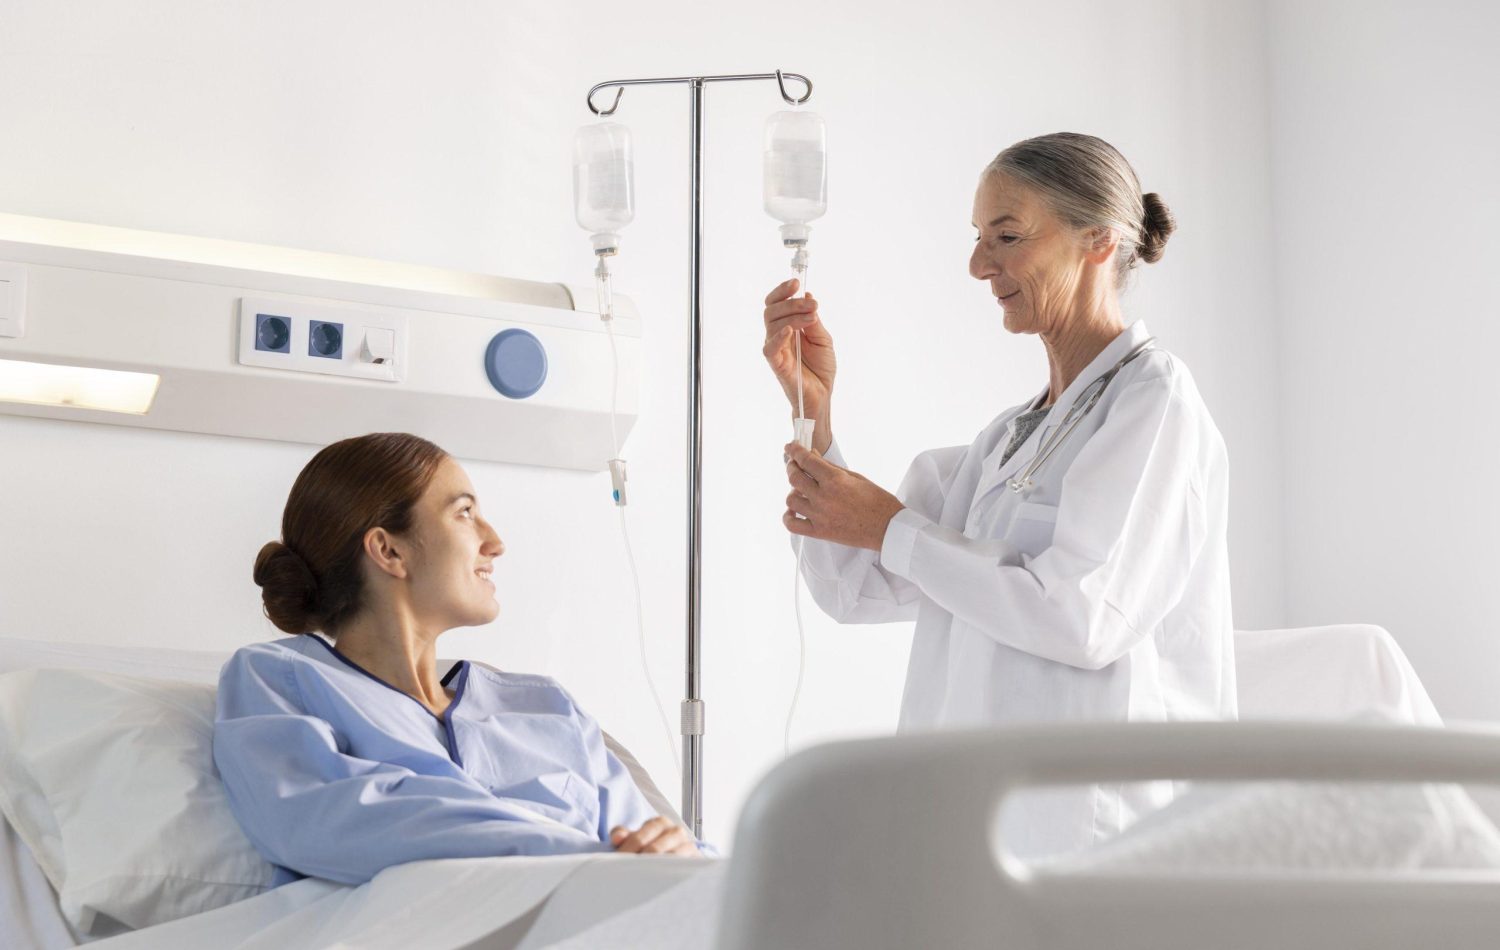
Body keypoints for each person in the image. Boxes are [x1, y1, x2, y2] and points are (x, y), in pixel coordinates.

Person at [763, 132, 1235, 859]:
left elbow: (1084, 617)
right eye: (979, 239)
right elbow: (858, 590)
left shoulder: (1154, 402)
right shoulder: (1009, 437)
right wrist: (813, 414)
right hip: (975, 821)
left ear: (1097, 241)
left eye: (1006, 236)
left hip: (1098, 830)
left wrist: (893, 529)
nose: (980, 264)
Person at [214, 432, 704, 886]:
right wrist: (586, 858)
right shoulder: (279, 681)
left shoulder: (546, 708)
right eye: (465, 512)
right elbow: (318, 821)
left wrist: (678, 851)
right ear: (389, 550)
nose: (495, 542)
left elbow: (660, 857)